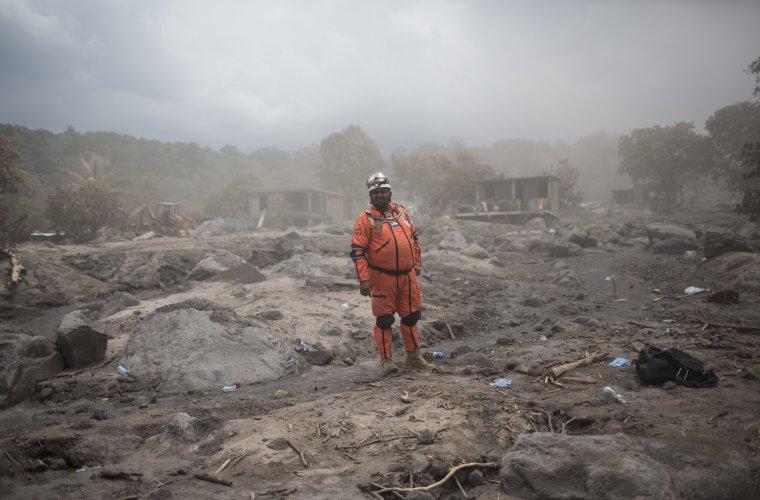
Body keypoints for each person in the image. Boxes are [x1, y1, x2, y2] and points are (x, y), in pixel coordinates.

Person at [350, 172, 435, 376]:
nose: (379, 195)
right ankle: (386, 361)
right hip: (382, 277)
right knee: (385, 320)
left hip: (407, 276)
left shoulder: (402, 213)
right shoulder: (365, 219)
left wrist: (417, 263)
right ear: (370, 196)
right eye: (375, 193)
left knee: (412, 316)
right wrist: (363, 279)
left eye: (383, 192)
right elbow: (358, 251)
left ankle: (413, 357)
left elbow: (414, 239)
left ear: (390, 192)